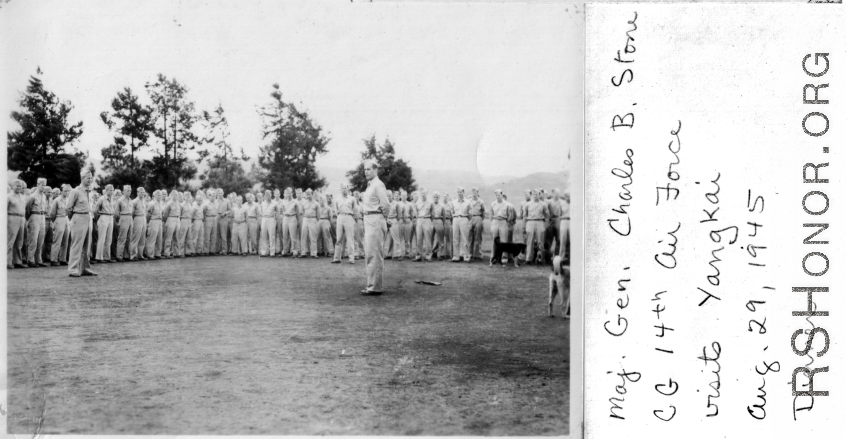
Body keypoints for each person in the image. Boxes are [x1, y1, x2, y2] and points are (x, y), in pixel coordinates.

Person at [361, 159, 389, 295]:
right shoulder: (370, 185)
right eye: (365, 169)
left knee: (375, 254)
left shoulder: (378, 185)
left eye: (369, 169)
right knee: (370, 253)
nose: (366, 172)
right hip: (369, 219)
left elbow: (386, 205)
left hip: (375, 219)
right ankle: (372, 284)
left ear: (375, 170)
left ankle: (375, 287)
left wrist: (383, 219)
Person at [65, 171, 96, 277]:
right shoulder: (76, 191)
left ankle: (85, 268)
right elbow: (68, 208)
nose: (90, 180)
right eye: (88, 178)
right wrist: (73, 219)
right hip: (78, 217)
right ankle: (73, 269)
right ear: (82, 178)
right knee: (77, 245)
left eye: (91, 178)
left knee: (87, 245)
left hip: (88, 217)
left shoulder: (90, 191)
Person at [25, 177, 49, 267]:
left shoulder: (44, 196)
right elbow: (27, 208)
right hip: (34, 215)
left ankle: (39, 260)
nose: (43, 187)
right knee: (33, 239)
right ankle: (30, 260)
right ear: (38, 184)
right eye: (42, 185)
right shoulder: (32, 196)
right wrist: (29, 219)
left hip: (42, 216)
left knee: (41, 239)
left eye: (45, 185)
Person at [332, 184, 357, 264]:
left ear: (348, 189)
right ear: (340, 189)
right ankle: (337, 258)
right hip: (340, 217)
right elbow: (336, 210)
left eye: (345, 188)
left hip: (349, 217)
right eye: (342, 188)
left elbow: (355, 210)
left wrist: (353, 219)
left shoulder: (352, 199)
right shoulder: (337, 199)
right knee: (338, 238)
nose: (344, 190)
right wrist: (339, 216)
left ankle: (351, 259)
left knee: (350, 239)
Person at [47, 184, 71, 266]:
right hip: (59, 218)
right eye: (65, 191)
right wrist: (55, 222)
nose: (67, 192)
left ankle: (62, 259)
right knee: (57, 240)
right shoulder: (57, 200)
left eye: (68, 191)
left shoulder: (68, 200)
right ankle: (53, 259)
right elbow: (52, 213)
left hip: (66, 219)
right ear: (61, 191)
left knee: (65, 239)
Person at [524, 189, 549, 265]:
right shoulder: (527, 204)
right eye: (534, 194)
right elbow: (525, 216)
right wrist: (525, 225)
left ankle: (540, 259)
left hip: (540, 222)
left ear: (539, 195)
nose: (535, 196)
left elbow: (547, 215)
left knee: (540, 241)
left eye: (537, 194)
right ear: (532, 195)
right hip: (530, 222)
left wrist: (545, 225)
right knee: (529, 241)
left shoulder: (543, 204)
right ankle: (529, 259)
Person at [7, 180, 28, 268]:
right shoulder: (8, 197)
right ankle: (8, 262)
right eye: (17, 186)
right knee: (10, 241)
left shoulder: (23, 197)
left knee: (20, 241)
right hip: (12, 217)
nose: (19, 188)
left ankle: (18, 261)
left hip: (22, 218)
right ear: (12, 186)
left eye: (20, 186)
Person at [94, 184, 117, 262]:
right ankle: (99, 257)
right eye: (111, 190)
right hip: (104, 217)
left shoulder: (112, 198)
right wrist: (100, 218)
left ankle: (107, 257)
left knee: (109, 238)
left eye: (113, 190)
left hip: (110, 217)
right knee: (102, 238)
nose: (112, 191)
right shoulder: (101, 199)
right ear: (106, 190)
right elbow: (95, 210)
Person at [451, 187, 471, 262]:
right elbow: (452, 211)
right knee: (455, 238)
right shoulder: (453, 202)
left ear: (463, 192)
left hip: (464, 218)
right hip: (455, 219)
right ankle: (456, 256)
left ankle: (466, 256)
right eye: (458, 192)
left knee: (465, 238)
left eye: (461, 192)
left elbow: (470, 214)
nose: (459, 193)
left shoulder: (468, 202)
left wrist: (465, 218)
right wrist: (455, 217)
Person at [414, 188, 434, 262]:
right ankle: (418, 256)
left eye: (424, 193)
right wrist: (419, 218)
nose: (423, 194)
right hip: (419, 219)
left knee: (427, 239)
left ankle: (428, 256)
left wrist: (428, 220)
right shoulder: (417, 203)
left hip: (427, 219)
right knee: (419, 238)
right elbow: (416, 212)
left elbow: (432, 213)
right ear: (420, 194)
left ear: (427, 193)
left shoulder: (430, 203)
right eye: (422, 193)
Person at [114, 185, 133, 262]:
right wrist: (119, 221)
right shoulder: (120, 200)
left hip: (130, 217)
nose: (129, 192)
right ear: (123, 191)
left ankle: (127, 255)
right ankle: (119, 255)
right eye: (127, 190)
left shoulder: (130, 200)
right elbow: (116, 213)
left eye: (130, 190)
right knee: (122, 237)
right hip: (123, 217)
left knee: (129, 237)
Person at [299, 189, 320, 259]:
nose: (308, 196)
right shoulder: (303, 203)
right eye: (307, 194)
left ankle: (314, 253)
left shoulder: (316, 203)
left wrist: (315, 221)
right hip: (305, 219)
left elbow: (318, 215)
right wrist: (305, 219)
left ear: (312, 194)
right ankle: (303, 252)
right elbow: (302, 213)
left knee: (313, 236)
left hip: (313, 219)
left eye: (309, 194)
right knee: (303, 236)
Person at [280, 188, 300, 257]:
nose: (288, 194)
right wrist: (285, 215)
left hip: (292, 217)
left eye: (290, 193)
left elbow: (297, 213)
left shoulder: (295, 202)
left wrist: (297, 221)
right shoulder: (283, 202)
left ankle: (294, 251)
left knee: (293, 236)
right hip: (285, 218)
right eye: (287, 193)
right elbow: (282, 210)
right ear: (285, 194)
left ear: (292, 193)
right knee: (285, 235)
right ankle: (285, 251)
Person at [129, 188, 148, 261]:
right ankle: (133, 255)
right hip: (137, 218)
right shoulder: (134, 201)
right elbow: (132, 213)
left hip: (143, 218)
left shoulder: (144, 201)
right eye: (141, 192)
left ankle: (140, 254)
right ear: (137, 193)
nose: (142, 193)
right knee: (136, 237)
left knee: (142, 238)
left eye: (143, 192)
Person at [384, 190, 403, 260]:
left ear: (392, 196)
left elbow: (399, 214)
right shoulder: (384, 203)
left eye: (389, 196)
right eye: (387, 196)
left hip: (393, 219)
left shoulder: (396, 203)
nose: (388, 197)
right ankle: (388, 254)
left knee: (396, 238)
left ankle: (399, 254)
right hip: (386, 220)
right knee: (385, 238)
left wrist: (395, 220)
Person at [145, 190, 164, 260]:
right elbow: (148, 214)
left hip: (159, 221)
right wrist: (148, 222)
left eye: (160, 195)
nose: (159, 196)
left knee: (159, 238)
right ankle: (150, 254)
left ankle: (157, 253)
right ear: (154, 196)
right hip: (153, 220)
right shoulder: (152, 204)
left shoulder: (161, 204)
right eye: (158, 195)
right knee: (152, 238)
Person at [468, 188, 486, 260]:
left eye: (475, 193)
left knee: (477, 236)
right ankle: (469, 253)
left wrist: (481, 219)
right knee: (470, 236)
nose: (474, 194)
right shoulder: (469, 201)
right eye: (472, 193)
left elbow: (483, 212)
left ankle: (476, 254)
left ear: (477, 193)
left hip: (478, 217)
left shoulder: (481, 202)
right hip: (470, 218)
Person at [258, 189, 277, 257]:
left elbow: (277, 211)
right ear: (264, 196)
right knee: (263, 236)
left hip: (271, 219)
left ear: (271, 195)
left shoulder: (274, 203)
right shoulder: (262, 203)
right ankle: (264, 252)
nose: (268, 196)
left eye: (269, 195)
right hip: (264, 219)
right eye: (266, 195)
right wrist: (263, 214)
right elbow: (260, 211)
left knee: (272, 236)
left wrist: (275, 217)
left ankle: (272, 252)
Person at [441, 194, 453, 261]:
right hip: (441, 221)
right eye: (444, 197)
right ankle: (442, 254)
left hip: (448, 221)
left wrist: (450, 223)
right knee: (441, 238)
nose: (445, 198)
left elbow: (452, 215)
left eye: (446, 197)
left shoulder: (450, 205)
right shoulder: (440, 205)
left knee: (448, 238)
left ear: (448, 198)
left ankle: (448, 254)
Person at [559, 190, 571, 263]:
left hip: (572, 221)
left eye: (569, 196)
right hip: (563, 221)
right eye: (566, 196)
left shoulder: (575, 203)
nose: (567, 198)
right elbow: (559, 214)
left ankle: (572, 257)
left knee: (573, 240)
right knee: (563, 240)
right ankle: (561, 258)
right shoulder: (561, 204)